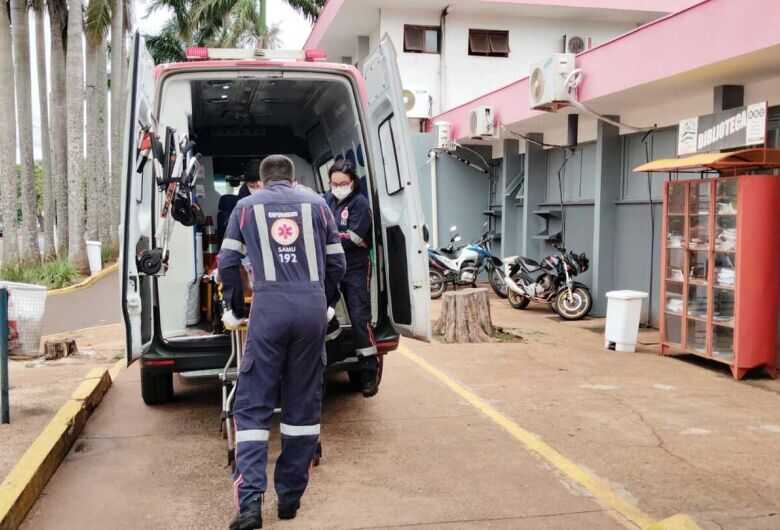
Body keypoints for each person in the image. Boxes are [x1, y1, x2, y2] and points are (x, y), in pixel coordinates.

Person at [219, 155, 346, 530]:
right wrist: (325, 302)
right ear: (293, 180)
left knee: (254, 407)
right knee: (302, 406)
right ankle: (289, 500)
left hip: (268, 308)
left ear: (260, 180)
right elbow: (337, 264)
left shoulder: (245, 207)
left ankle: (250, 506)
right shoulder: (319, 205)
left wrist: (232, 307)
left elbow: (228, 261)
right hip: (310, 309)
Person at [325, 160, 379, 397]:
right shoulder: (326, 201)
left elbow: (355, 237)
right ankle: (333, 354)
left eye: (343, 183)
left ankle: (368, 372)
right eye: (334, 183)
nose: (337, 187)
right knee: (323, 312)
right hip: (332, 267)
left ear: (352, 182)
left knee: (359, 318)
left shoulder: (359, 203)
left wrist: (328, 238)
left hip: (355, 267)